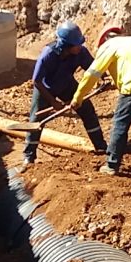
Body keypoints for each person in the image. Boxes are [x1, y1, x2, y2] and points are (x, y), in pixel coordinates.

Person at [67, 25, 131, 178]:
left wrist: (78, 97)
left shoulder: (109, 46)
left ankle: (112, 164)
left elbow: (92, 74)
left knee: (119, 125)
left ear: (104, 41)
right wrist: (116, 81)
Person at [24, 23, 107, 165]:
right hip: (45, 88)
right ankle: (29, 156)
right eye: (76, 44)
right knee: (36, 120)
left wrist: (104, 78)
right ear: (66, 45)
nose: (80, 46)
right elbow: (36, 81)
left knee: (87, 110)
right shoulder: (48, 55)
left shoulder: (81, 53)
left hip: (67, 84)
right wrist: (52, 102)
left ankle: (101, 147)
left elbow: (95, 69)